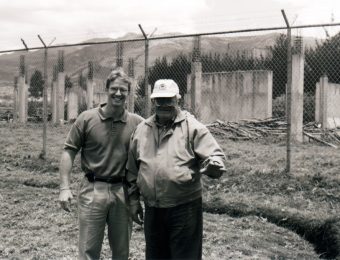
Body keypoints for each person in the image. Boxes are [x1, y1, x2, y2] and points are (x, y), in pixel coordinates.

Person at [126, 79, 227, 260]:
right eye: (159, 100)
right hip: (153, 209)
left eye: (168, 99)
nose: (164, 104)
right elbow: (132, 170)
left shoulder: (192, 127)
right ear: (153, 102)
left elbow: (215, 155)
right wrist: (133, 201)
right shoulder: (142, 130)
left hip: (184, 209)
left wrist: (214, 165)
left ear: (177, 100)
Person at [58, 67, 144, 260]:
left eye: (123, 90)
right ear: (107, 89)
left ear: (128, 93)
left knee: (121, 252)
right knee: (88, 251)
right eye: (114, 88)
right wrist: (64, 187)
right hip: (92, 189)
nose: (118, 93)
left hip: (122, 191)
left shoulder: (137, 123)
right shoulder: (86, 119)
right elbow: (68, 151)